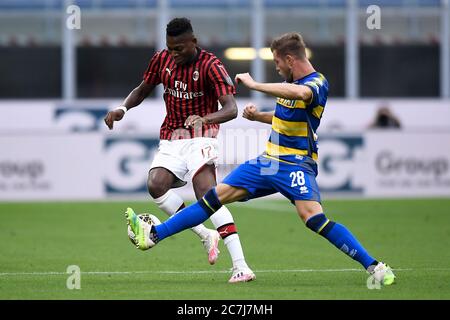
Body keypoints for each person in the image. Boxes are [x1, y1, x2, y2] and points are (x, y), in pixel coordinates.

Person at [126, 32, 396, 286]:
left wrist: (255, 85)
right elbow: (287, 112)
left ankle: (375, 266)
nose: (277, 67)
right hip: (268, 162)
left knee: (314, 219)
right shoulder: (290, 84)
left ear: (290, 59)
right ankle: (154, 235)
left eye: (277, 62)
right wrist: (259, 117)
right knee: (212, 198)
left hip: (295, 165)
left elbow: (301, 96)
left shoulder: (316, 83)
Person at [105, 17, 255, 283]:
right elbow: (142, 90)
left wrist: (205, 118)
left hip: (202, 135)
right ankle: (206, 234)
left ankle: (241, 265)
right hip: (172, 136)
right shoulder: (161, 60)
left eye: (179, 49)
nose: (174, 54)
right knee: (156, 184)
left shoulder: (211, 65)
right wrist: (122, 109)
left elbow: (231, 109)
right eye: (170, 48)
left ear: (193, 42)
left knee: (207, 194)